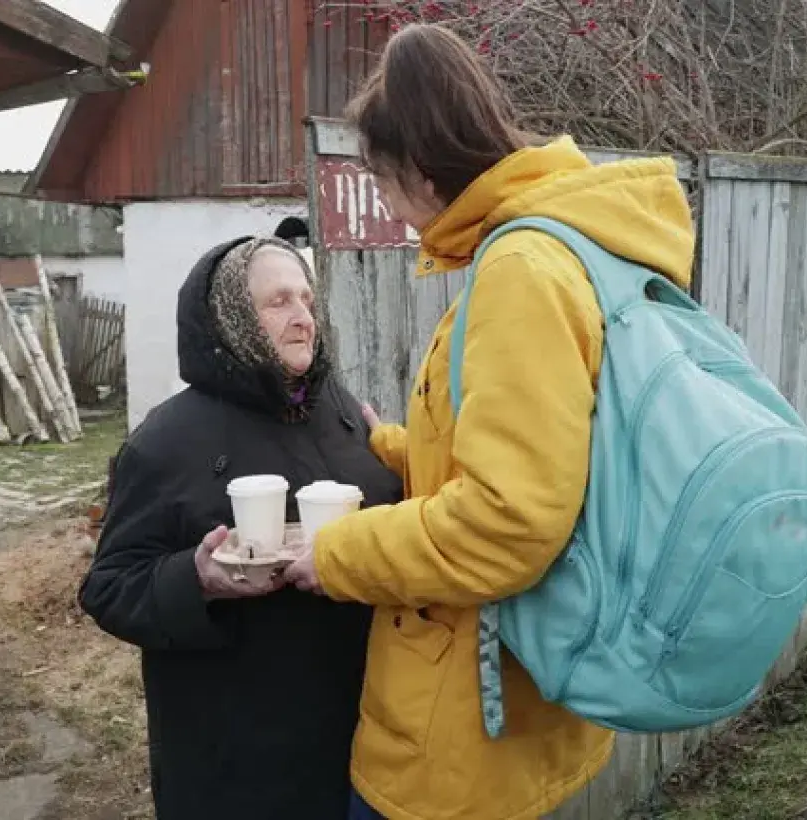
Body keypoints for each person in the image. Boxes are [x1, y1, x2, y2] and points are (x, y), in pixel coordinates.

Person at [282, 23, 696, 820]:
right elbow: (553, 455)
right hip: (518, 703)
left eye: (386, 186)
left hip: (459, 733)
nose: (397, 215)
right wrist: (392, 446)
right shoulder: (577, 243)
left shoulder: (521, 269)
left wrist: (335, 554)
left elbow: (507, 524)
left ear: (417, 168)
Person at [79, 236, 403, 820]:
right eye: (278, 302)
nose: (304, 317)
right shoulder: (168, 439)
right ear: (228, 315)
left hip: (362, 732)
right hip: (241, 757)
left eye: (307, 299)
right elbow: (109, 587)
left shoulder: (342, 410)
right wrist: (198, 580)